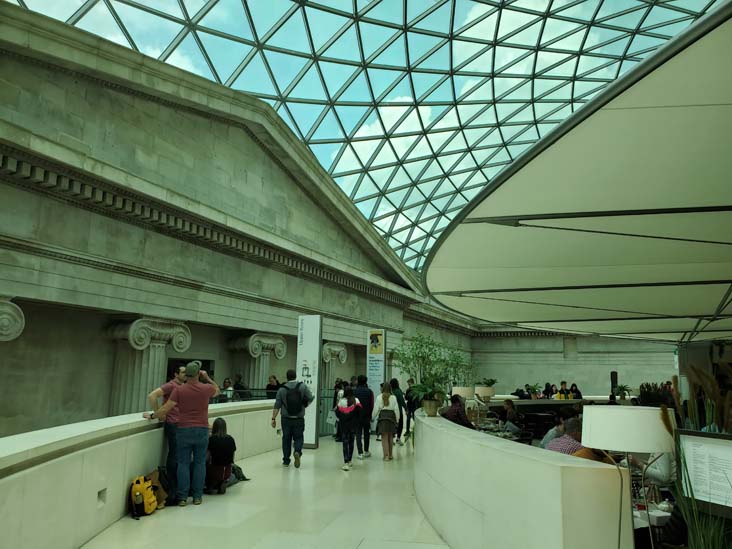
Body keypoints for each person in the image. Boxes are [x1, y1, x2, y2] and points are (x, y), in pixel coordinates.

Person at [148, 360, 219, 506]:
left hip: (183, 430)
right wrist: (207, 378)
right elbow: (217, 390)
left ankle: (182, 497)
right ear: (198, 373)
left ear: (186, 375)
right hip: (201, 430)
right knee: (199, 463)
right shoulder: (206, 388)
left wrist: (152, 415)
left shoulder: (179, 390)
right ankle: (197, 496)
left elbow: (166, 408)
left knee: (183, 464)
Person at [144, 364, 187, 506]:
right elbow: (152, 396)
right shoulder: (171, 385)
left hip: (181, 425)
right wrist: (158, 414)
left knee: (178, 456)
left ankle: (176, 490)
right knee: (175, 456)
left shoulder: (183, 387)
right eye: (183, 372)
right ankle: (173, 492)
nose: (185, 374)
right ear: (176, 374)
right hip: (173, 425)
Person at [272, 369, 313, 468]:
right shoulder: (302, 386)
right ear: (295, 376)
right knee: (299, 437)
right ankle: (297, 452)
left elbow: (277, 405)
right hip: (298, 418)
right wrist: (305, 404)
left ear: (287, 377)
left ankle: (286, 460)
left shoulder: (282, 389)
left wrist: (273, 418)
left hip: (286, 419)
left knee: (286, 439)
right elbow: (311, 397)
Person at [206, 417, 236, 494]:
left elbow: (207, 458)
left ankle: (211, 484)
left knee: (200, 467)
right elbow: (232, 458)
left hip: (214, 471)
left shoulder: (211, 440)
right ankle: (223, 482)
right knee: (234, 476)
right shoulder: (231, 439)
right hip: (227, 471)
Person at [373, 382, 401, 461]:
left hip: (383, 418)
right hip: (391, 418)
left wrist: (372, 417)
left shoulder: (379, 397)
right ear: (390, 388)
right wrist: (397, 419)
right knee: (390, 437)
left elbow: (376, 409)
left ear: (382, 388)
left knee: (384, 437)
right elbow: (396, 409)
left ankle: (386, 456)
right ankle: (391, 455)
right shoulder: (393, 397)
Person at [336, 387, 362, 470]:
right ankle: (350, 460)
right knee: (351, 442)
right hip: (353, 425)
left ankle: (346, 462)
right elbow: (359, 412)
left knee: (345, 443)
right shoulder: (356, 400)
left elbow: (337, 413)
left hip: (344, 425)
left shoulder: (341, 401)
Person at [353, 375, 374, 459]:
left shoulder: (354, 391)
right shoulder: (370, 392)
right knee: (366, 433)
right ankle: (366, 451)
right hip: (366, 415)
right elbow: (371, 404)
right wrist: (371, 415)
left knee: (358, 433)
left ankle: (360, 453)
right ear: (366, 381)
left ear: (358, 381)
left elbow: (352, 404)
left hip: (357, 415)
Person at [390, 378, 407, 446]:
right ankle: (398, 438)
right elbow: (402, 401)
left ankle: (391, 439)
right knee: (400, 425)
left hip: (391, 411)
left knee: (392, 425)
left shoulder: (390, 391)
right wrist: (406, 409)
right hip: (398, 411)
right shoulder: (398, 391)